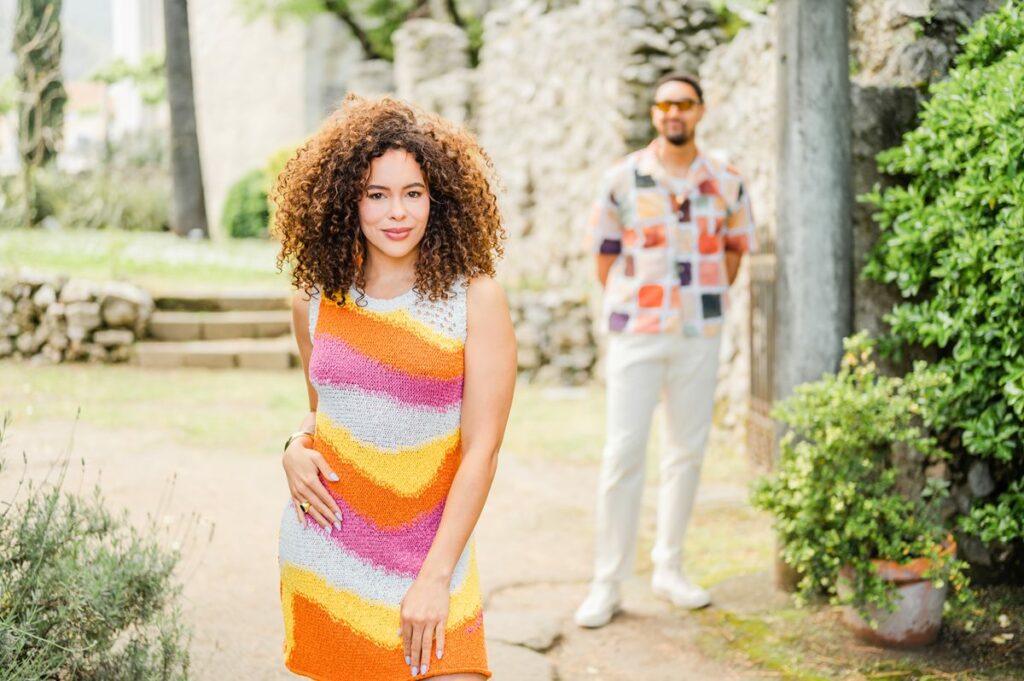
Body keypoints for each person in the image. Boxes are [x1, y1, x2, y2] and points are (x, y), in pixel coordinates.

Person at [273, 95, 516, 679]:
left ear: (439, 198)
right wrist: (291, 448)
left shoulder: (475, 299)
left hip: (435, 557)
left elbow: (481, 450)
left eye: (413, 192)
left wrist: (436, 576)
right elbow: (320, 413)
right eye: (376, 194)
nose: (397, 212)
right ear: (346, 202)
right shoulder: (313, 299)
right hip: (327, 555)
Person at [575, 73, 755, 628]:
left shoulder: (726, 180)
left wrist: (702, 299)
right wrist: (638, 302)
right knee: (623, 453)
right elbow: (604, 254)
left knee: (686, 452)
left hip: (699, 332)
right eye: (664, 104)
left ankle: (670, 567)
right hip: (637, 330)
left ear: (701, 110)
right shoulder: (621, 179)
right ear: (654, 114)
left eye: (683, 103)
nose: (673, 112)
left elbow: (734, 250)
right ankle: (608, 582)